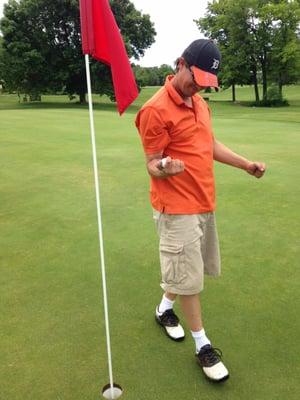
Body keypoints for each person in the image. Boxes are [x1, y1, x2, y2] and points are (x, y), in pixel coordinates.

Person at [135, 39, 266, 382]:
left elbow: (208, 144)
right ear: (181, 63)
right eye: (195, 80)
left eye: (205, 85)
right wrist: (163, 166)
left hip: (204, 201)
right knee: (190, 279)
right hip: (176, 207)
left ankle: (164, 310)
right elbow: (151, 163)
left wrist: (244, 164)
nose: (197, 88)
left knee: (186, 270)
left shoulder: (199, 103)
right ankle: (202, 344)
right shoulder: (155, 109)